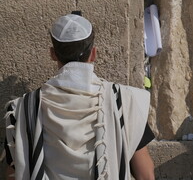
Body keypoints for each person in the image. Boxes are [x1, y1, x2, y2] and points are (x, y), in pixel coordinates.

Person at [4, 13, 155, 180]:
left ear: (53, 54)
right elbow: (145, 175)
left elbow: (14, 173)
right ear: (94, 54)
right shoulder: (125, 103)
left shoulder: (22, 110)